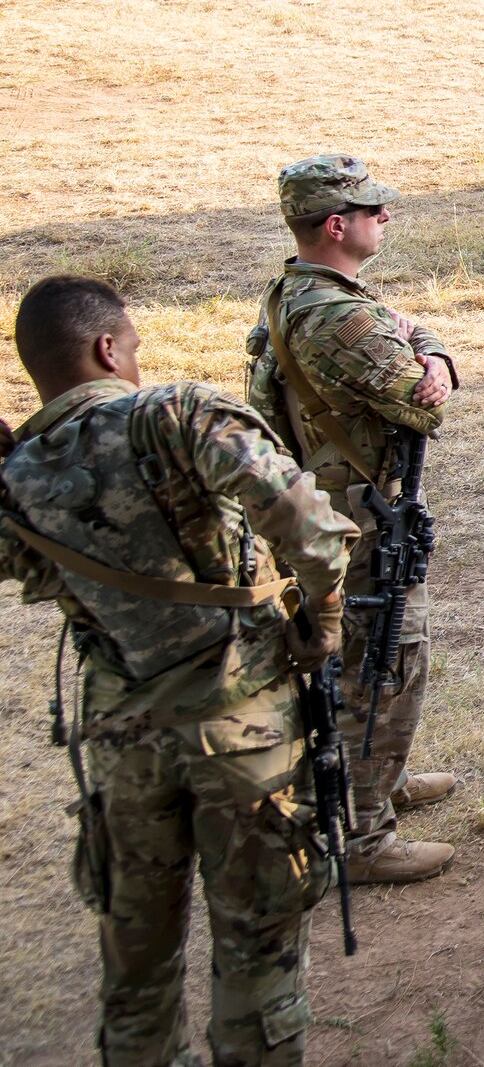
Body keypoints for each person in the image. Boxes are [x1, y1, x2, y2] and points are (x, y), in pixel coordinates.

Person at [0, 275, 356, 1065]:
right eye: (131, 347)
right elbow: (311, 525)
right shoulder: (173, 415)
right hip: (243, 731)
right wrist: (320, 623)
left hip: (122, 741)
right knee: (257, 954)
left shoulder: (18, 468)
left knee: (136, 965)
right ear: (107, 347)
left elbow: (34, 571)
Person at [246, 154, 459, 885]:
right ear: (336, 225)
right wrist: (432, 354)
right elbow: (424, 401)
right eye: (372, 211)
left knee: (372, 661)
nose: (385, 217)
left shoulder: (298, 294)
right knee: (385, 664)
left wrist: (419, 341)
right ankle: (364, 832)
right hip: (357, 524)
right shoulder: (340, 315)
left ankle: (381, 777)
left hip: (335, 511)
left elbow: (407, 335)